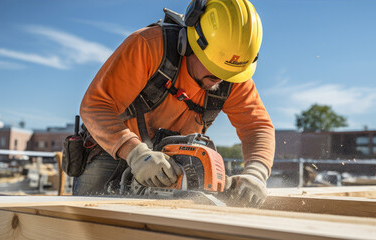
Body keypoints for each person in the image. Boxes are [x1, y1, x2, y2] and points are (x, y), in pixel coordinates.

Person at [75, 0, 274, 208]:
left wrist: (256, 173)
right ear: (189, 43)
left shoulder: (233, 75)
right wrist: (135, 153)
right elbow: (95, 105)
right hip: (113, 151)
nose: (221, 79)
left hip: (174, 166)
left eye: (228, 73)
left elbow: (257, 127)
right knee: (87, 219)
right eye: (214, 67)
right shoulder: (148, 46)